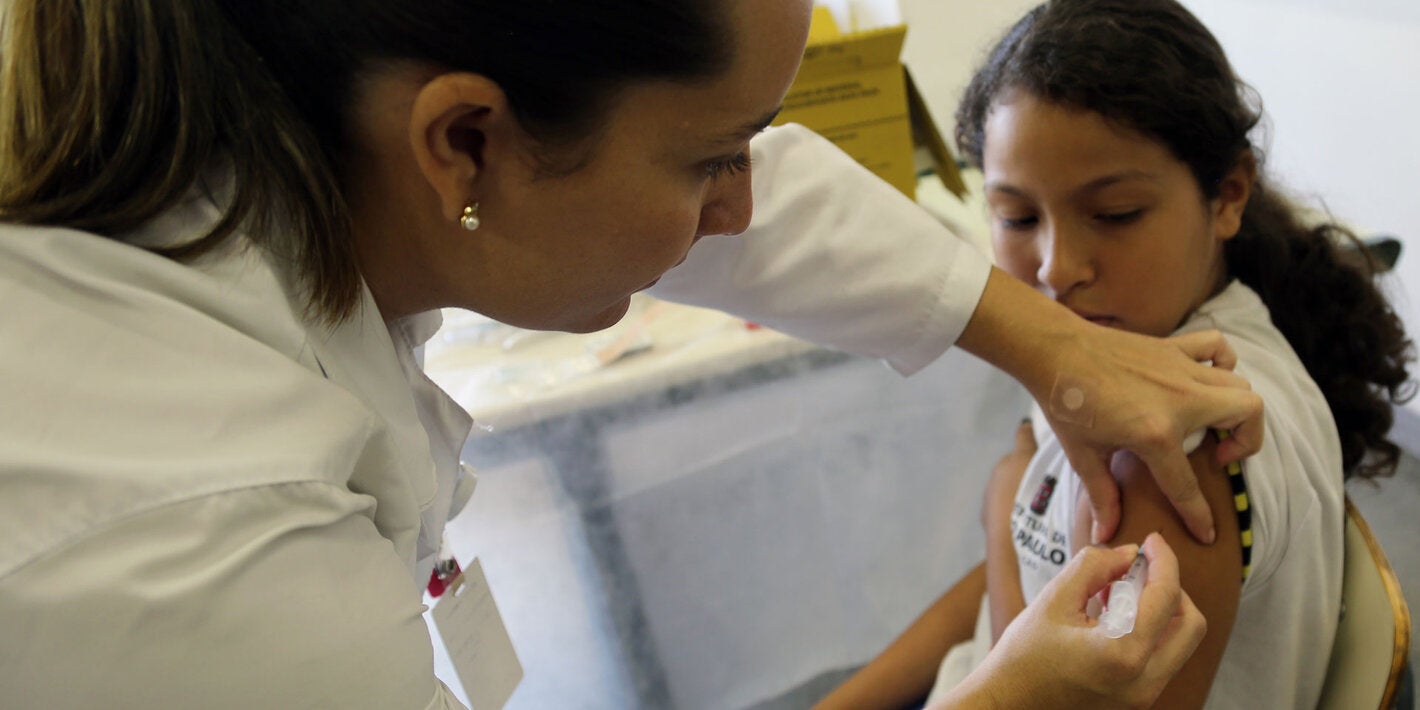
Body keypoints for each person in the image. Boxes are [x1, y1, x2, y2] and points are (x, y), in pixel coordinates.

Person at [0, 1, 1259, 707]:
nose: (743, 206)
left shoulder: (278, 141)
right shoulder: (186, 536)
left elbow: (732, 194)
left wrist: (1048, 345)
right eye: (713, 160)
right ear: (465, 144)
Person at [816, 1, 1414, 709]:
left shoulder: (1166, 447)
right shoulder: (1106, 348)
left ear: (1228, 195)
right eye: (1017, 216)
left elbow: (1053, 661)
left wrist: (1002, 515)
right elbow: (1033, 558)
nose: (1056, 267)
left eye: (1115, 214)